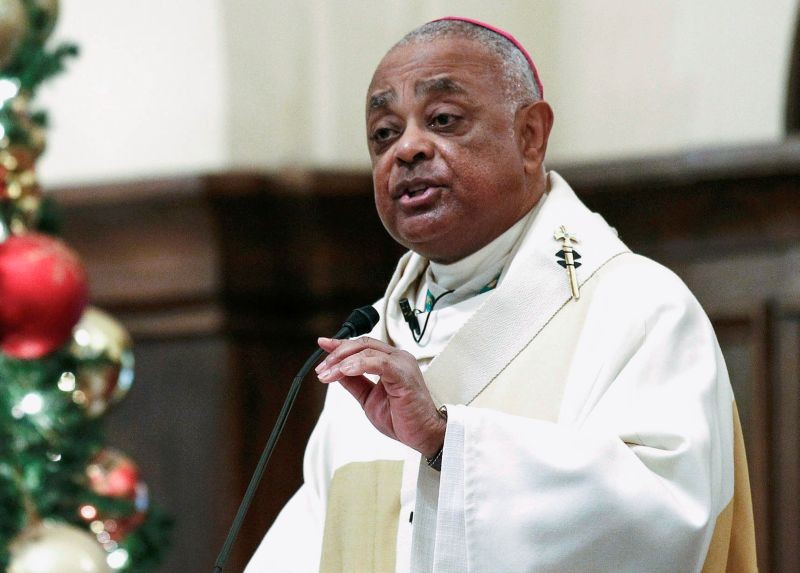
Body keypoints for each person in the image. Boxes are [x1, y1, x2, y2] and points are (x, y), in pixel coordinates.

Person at [246, 17, 756, 573]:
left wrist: (449, 445)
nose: (408, 149)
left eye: (442, 119)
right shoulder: (370, 351)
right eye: (384, 134)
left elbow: (667, 519)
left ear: (530, 136)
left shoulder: (637, 307)